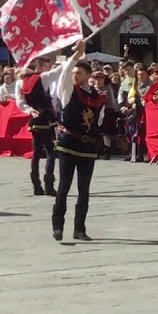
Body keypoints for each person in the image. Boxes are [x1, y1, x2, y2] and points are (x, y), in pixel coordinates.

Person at [50, 42, 108, 242]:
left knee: (84, 189)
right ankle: (58, 225)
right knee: (64, 185)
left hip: (87, 146)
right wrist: (77, 54)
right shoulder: (68, 91)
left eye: (79, 73)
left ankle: (79, 228)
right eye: (74, 73)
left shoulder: (97, 97)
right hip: (68, 143)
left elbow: (99, 120)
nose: (75, 76)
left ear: (88, 75)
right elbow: (65, 72)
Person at [17, 57, 65, 197]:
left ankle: (36, 185)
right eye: (47, 64)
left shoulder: (22, 81)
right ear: (42, 65)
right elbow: (58, 71)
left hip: (34, 119)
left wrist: (29, 110)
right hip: (46, 118)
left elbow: (20, 102)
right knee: (50, 152)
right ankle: (49, 185)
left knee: (36, 153)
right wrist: (70, 59)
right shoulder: (43, 77)